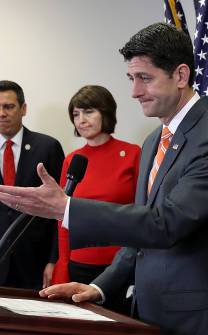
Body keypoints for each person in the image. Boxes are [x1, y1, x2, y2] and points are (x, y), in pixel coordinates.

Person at [0, 23, 208, 335]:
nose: (134, 91)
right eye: (131, 78)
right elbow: (138, 238)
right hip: (146, 328)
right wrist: (100, 286)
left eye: (144, 78)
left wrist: (68, 209)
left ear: (181, 75)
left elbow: (165, 225)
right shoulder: (153, 143)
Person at [0, 80, 64, 289]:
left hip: (36, 263)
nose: (1, 113)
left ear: (23, 108)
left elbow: (60, 211)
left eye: (8, 106)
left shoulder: (48, 147)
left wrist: (54, 260)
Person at [51, 85, 141, 308]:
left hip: (119, 267)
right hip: (78, 265)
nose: (81, 120)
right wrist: (62, 265)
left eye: (88, 111)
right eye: (75, 114)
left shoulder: (132, 154)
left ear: (106, 112)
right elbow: (63, 219)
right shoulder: (73, 160)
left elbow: (143, 216)